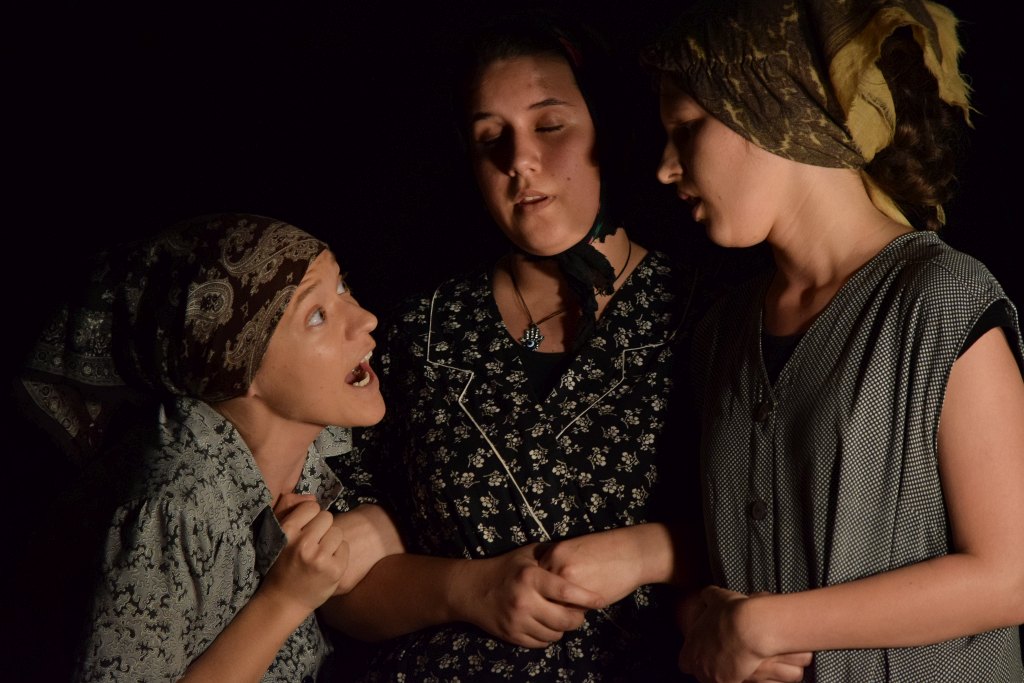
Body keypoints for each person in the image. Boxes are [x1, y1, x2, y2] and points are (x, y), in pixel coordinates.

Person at [317, 9, 715, 683]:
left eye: (549, 125)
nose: (519, 160)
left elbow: (777, 537)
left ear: (607, 129)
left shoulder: (704, 318)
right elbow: (337, 585)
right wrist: (469, 588)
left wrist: (651, 550)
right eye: (489, 138)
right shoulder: (419, 332)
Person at [643, 0, 1024, 680]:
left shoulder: (941, 298)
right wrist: (704, 622)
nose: (666, 167)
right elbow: (734, 557)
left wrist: (762, 626)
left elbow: (1011, 575)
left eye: (687, 127)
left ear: (769, 110)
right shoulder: (721, 333)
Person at [18, 213, 402, 681]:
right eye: (317, 316)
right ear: (238, 366)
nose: (365, 318)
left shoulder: (321, 431)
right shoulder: (173, 507)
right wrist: (286, 599)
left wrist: (377, 523)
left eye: (342, 287)